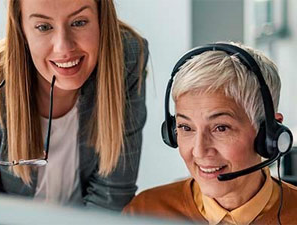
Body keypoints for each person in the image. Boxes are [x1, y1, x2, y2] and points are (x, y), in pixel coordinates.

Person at [0, 0, 149, 211]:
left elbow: (112, 194)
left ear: (101, 19)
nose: (64, 47)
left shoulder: (126, 57)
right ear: (21, 29)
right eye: (43, 27)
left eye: (79, 22)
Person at [123, 42, 297, 224]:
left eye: (221, 128)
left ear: (269, 135)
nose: (199, 151)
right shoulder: (144, 213)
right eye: (185, 127)